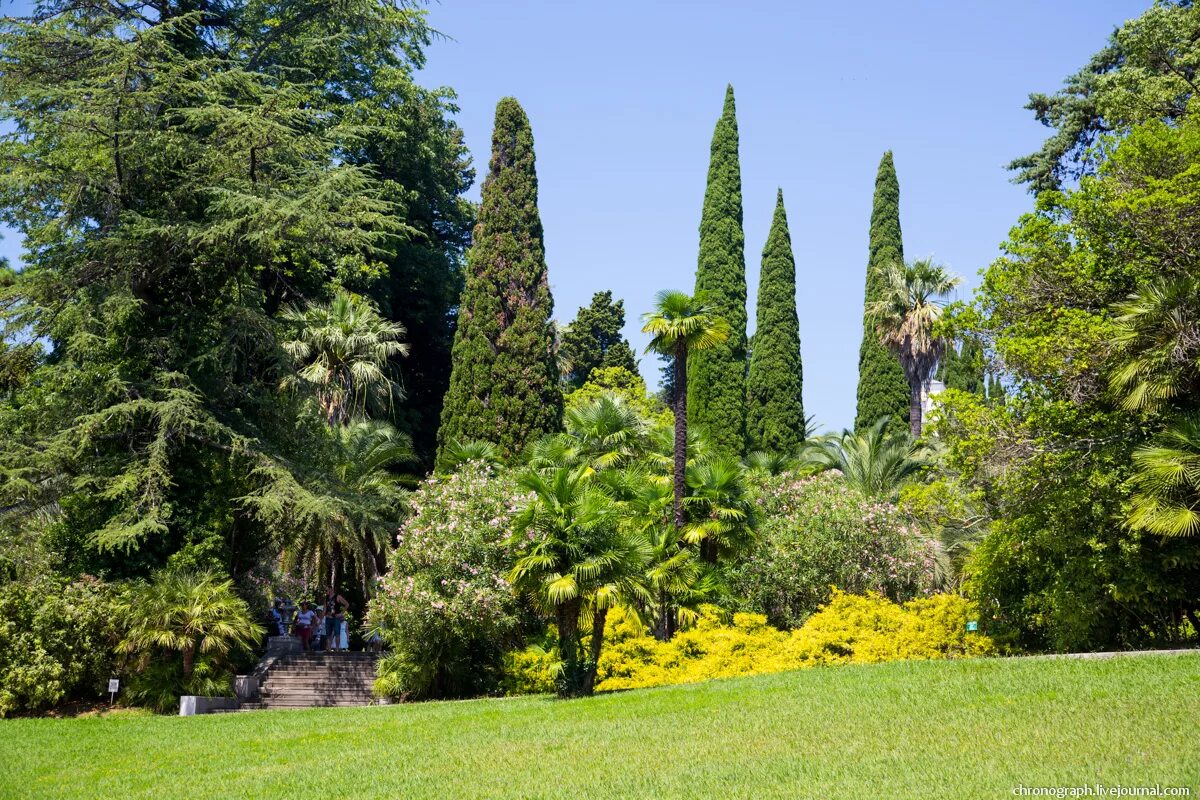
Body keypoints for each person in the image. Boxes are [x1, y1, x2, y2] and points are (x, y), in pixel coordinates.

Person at [323, 586, 348, 652]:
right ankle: (328, 648)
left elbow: (347, 604)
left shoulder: (338, 596)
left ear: (331, 589)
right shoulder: (326, 598)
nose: (326, 592)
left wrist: (341, 613)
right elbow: (324, 608)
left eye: (327, 590)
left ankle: (337, 648)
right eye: (326, 590)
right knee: (328, 634)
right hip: (328, 617)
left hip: (336, 617)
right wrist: (322, 617)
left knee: (337, 633)